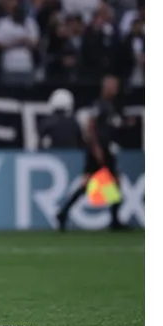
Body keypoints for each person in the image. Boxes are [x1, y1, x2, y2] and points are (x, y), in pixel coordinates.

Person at [55, 75, 132, 232]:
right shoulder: (101, 105)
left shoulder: (112, 107)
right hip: (99, 150)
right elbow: (91, 125)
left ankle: (63, 213)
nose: (116, 89)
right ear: (106, 87)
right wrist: (96, 147)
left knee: (102, 183)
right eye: (113, 86)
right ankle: (114, 220)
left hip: (106, 149)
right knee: (107, 182)